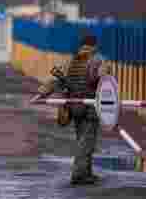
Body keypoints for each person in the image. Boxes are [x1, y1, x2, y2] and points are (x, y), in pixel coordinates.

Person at [39, 33, 110, 185]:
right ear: (94, 46)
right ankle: (79, 174)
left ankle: (87, 172)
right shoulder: (97, 60)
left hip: (74, 106)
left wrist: (43, 92)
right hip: (90, 106)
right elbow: (100, 80)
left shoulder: (72, 60)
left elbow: (57, 80)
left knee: (82, 140)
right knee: (87, 142)